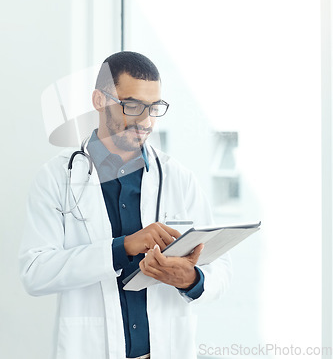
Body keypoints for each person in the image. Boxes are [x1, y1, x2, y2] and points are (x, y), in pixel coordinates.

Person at [19, 51, 232, 359]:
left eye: (153, 108)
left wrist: (191, 280)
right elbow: (34, 272)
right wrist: (124, 247)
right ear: (98, 100)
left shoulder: (179, 178)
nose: (144, 120)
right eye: (131, 106)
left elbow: (221, 269)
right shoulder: (56, 178)